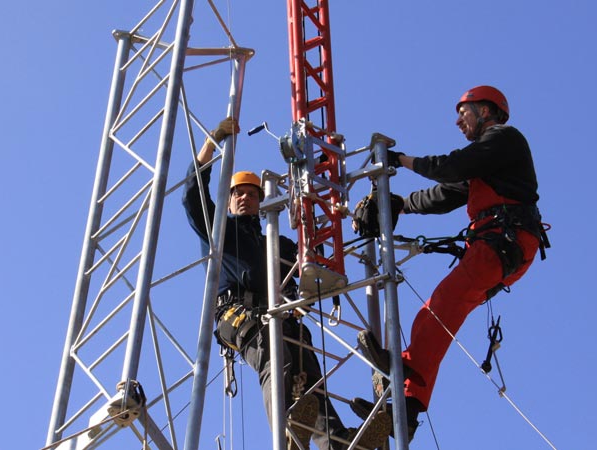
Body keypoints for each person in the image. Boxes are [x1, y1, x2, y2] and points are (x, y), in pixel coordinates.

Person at [351, 86, 549, 442]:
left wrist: (402, 160)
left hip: (502, 243)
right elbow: (445, 194)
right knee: (434, 316)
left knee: (439, 309)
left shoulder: (504, 139)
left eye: (464, 112)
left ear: (486, 111)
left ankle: (403, 371)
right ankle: (407, 411)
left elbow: (451, 167)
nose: (458, 120)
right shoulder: (486, 163)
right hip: (499, 247)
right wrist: (400, 205)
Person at [183, 118, 389, 450]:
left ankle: (336, 443)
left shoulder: (276, 244)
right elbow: (193, 195)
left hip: (282, 314)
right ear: (230, 198)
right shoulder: (221, 230)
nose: (246, 199)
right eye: (239, 193)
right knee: (272, 351)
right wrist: (214, 141)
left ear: (262, 201)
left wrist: (339, 212)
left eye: (252, 194)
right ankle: (287, 432)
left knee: (307, 373)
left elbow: (315, 256)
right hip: (240, 315)